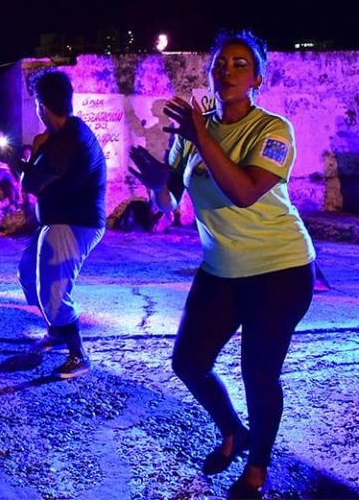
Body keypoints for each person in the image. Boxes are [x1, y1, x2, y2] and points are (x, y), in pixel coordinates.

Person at [129, 30, 316, 499]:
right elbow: (169, 204)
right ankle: (233, 430)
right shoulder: (193, 131)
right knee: (188, 362)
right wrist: (158, 184)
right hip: (220, 270)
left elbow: (244, 192)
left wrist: (201, 136)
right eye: (220, 64)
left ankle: (257, 468)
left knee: (259, 373)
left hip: (280, 270)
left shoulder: (273, 130)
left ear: (257, 78)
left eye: (239, 64)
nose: (227, 71)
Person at [17, 71, 106, 379]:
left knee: (54, 293)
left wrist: (20, 158)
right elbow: (36, 177)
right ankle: (57, 331)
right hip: (55, 222)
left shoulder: (70, 137)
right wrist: (35, 153)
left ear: (41, 105)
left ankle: (78, 355)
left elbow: (32, 183)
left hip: (74, 222)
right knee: (27, 274)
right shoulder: (59, 136)